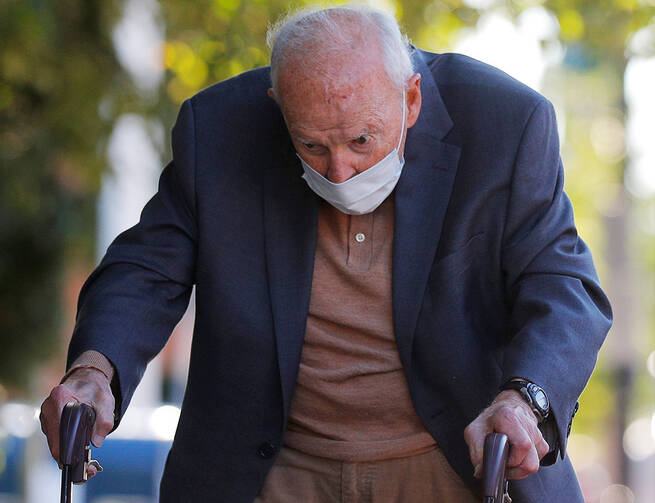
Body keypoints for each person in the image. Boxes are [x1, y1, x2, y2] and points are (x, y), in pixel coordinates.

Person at [40, 5, 612, 502]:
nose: (339, 170)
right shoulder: (217, 128)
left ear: (410, 100)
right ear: (278, 105)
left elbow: (563, 287)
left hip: (447, 461)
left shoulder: (507, 124)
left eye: (362, 140)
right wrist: (95, 370)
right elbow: (146, 269)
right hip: (273, 467)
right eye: (311, 144)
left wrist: (524, 398)